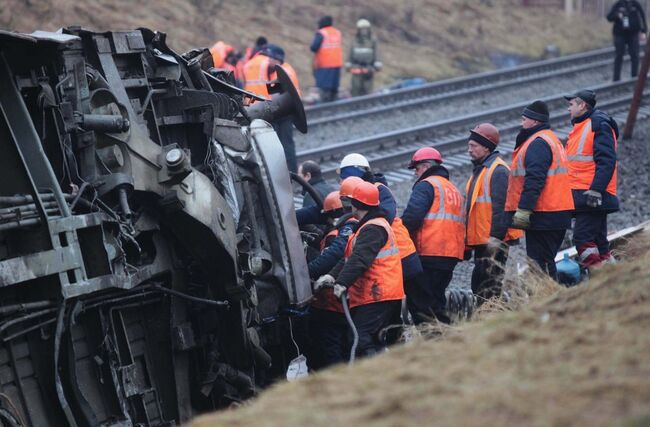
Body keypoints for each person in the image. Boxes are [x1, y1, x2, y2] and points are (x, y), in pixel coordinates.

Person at [315, 182, 403, 358]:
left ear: (358, 204)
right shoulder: (369, 225)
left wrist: (342, 283)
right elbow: (349, 258)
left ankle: (373, 377)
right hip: (378, 293)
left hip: (378, 294)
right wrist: (331, 276)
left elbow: (359, 259)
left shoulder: (373, 228)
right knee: (367, 337)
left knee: (362, 339)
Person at [505, 101, 574, 280]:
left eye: (524, 119)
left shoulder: (538, 143)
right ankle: (549, 300)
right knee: (543, 262)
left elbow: (535, 180)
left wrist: (524, 210)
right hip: (555, 213)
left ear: (534, 122)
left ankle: (548, 301)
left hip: (545, 214)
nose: (522, 124)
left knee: (540, 265)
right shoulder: (550, 139)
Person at [401, 147, 464, 323]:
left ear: (427, 166)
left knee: (421, 305)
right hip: (450, 255)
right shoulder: (453, 189)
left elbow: (412, 218)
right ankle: (445, 340)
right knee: (436, 302)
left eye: (417, 168)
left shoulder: (426, 185)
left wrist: (396, 236)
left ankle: (434, 343)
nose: (416, 173)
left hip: (428, 253)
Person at [465, 124, 523, 304]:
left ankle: (490, 320)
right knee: (481, 286)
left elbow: (501, 210)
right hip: (483, 241)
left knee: (488, 288)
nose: (469, 150)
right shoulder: (482, 169)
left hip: (492, 242)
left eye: (473, 146)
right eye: (469, 146)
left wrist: (494, 240)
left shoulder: (497, 171)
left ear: (486, 147)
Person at [565, 90, 619, 269]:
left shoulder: (598, 125)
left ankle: (600, 276)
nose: (568, 108)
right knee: (598, 241)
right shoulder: (582, 126)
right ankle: (614, 277)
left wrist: (596, 189)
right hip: (585, 194)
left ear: (583, 105)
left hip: (591, 195)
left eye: (571, 104)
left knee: (582, 238)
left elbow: (607, 160)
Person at [308, 190, 358, 368]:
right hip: (348, 301)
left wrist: (307, 272)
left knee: (331, 348)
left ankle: (336, 384)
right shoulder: (359, 228)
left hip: (330, 303)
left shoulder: (335, 236)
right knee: (347, 345)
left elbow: (329, 261)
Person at [243, 44, 301, 172]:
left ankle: (290, 172)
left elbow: (279, 97)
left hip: (285, 112)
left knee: (285, 144)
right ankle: (286, 170)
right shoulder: (281, 69)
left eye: (270, 58)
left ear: (277, 59)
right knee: (283, 144)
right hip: (285, 110)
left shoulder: (282, 72)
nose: (267, 60)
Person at [607, 0, 647, 81]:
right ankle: (616, 79)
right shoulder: (618, 4)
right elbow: (609, 17)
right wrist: (617, 15)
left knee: (635, 55)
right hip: (620, 34)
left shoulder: (636, 4)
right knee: (619, 56)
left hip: (633, 33)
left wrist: (644, 31)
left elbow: (643, 17)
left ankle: (634, 77)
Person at [310, 15, 343, 102]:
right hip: (337, 64)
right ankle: (333, 106)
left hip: (324, 64)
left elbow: (313, 47)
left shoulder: (321, 33)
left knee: (324, 88)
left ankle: (324, 106)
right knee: (334, 88)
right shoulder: (337, 32)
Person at [345, 19, 382, 97]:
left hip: (368, 69)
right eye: (362, 29)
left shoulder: (373, 40)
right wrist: (348, 64)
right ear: (358, 30)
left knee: (368, 91)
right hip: (356, 68)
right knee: (355, 90)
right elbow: (350, 52)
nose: (364, 31)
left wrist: (377, 64)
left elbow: (377, 52)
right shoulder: (354, 40)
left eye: (365, 29)